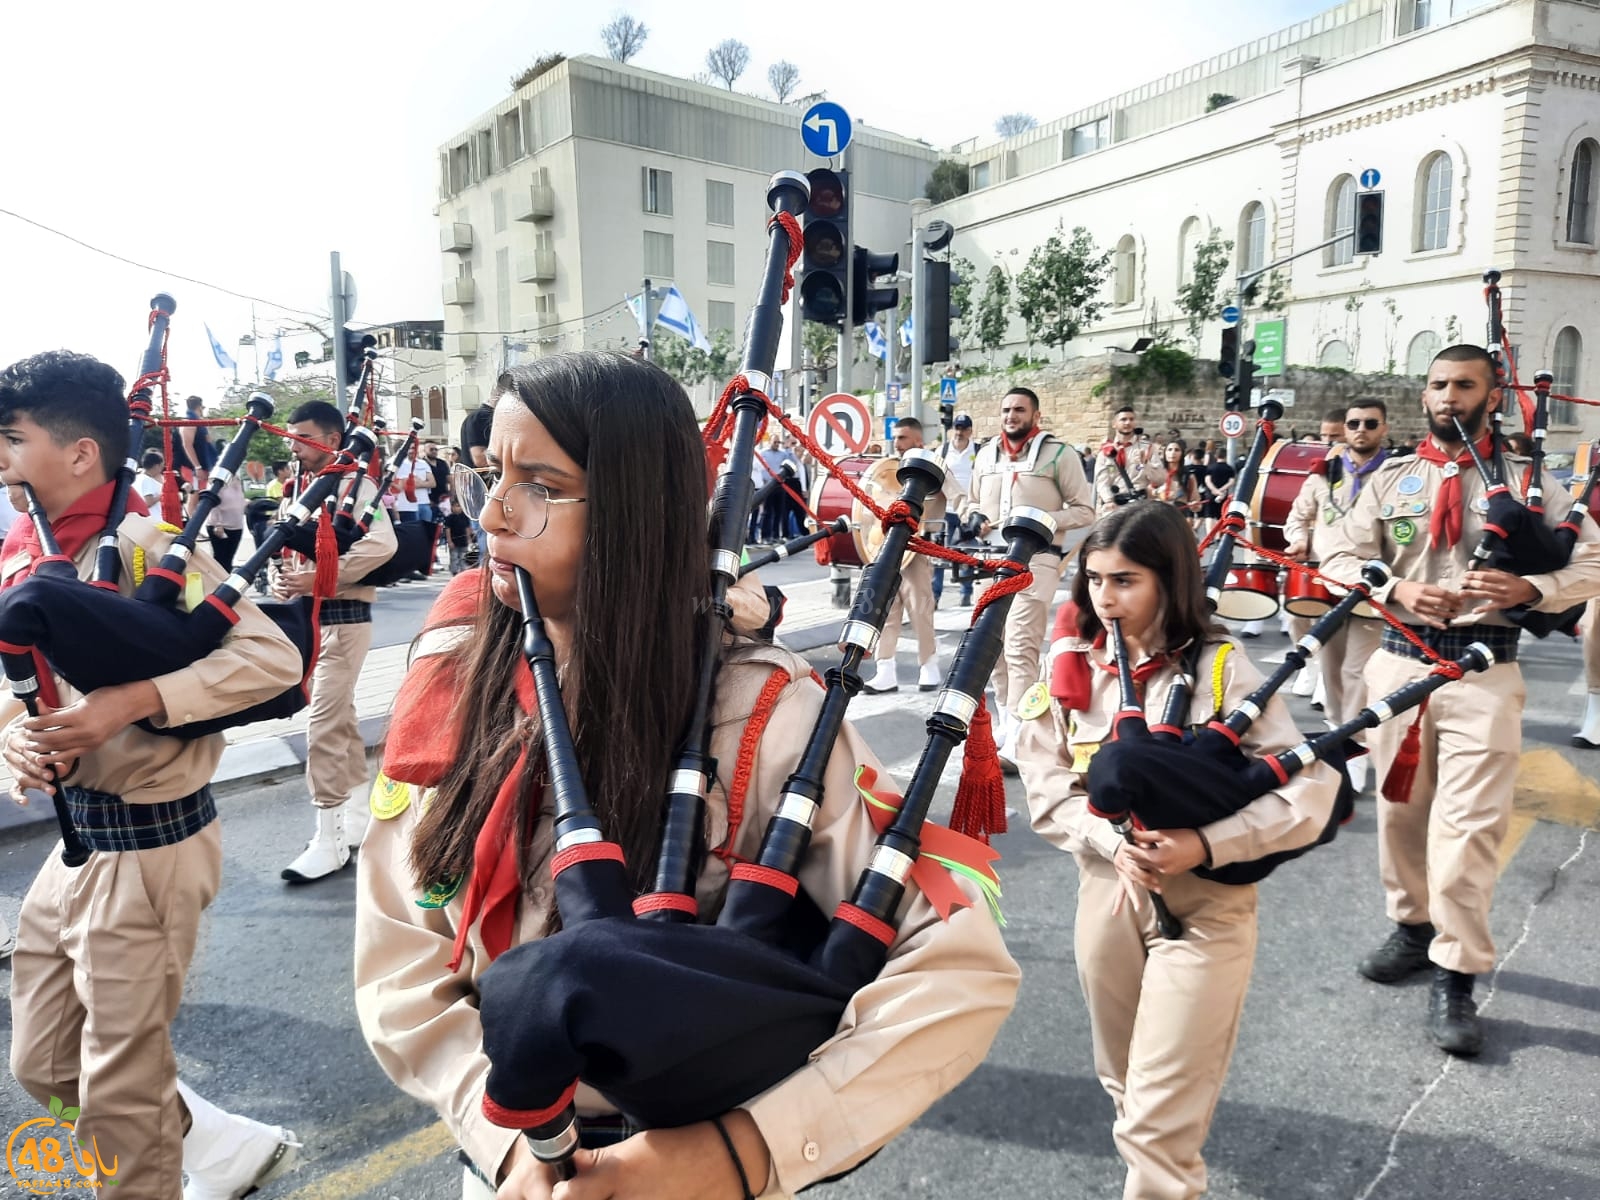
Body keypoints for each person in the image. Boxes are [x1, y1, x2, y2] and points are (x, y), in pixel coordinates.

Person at [353, 352, 1018, 1200]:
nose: (491, 512)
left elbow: (960, 967)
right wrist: (513, 1146)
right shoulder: (452, 677)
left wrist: (739, 1150)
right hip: (509, 1160)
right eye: (487, 474)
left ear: (633, 511)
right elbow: (401, 955)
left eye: (540, 485)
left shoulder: (759, 708)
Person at [0, 351, 303, 1200]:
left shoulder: (144, 547)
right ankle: (216, 1143)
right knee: (45, 1065)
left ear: (81, 454)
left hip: (149, 845)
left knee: (118, 1102)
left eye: (13, 439)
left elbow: (272, 660)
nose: (0, 457)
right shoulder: (26, 551)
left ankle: (157, 1161)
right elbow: (16, 689)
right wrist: (15, 743)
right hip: (72, 851)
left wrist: (129, 700)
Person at [1016, 501, 1339, 1200]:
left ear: (1170, 580)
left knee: (1159, 1126)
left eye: (1126, 580)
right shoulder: (1071, 667)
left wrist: (1205, 843)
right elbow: (1045, 790)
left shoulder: (1223, 668)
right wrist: (1108, 838)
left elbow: (1309, 794)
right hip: (1106, 893)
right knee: (1125, 1081)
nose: (1106, 598)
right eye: (1096, 579)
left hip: (1205, 907)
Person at [1320, 344, 1600, 1057]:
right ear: (1424, 396)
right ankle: (1413, 927)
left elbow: (1592, 557)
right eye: (1439, 385)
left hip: (1486, 673)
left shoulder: (1530, 483)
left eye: (1465, 385)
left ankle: (1457, 970)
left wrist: (1532, 590)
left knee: (1471, 829)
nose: (1450, 397)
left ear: (1492, 392)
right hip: (1399, 669)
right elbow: (1339, 556)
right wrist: (1394, 588)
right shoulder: (1391, 481)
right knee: (1402, 817)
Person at [273, 400, 398, 883]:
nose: (292, 445)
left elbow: (381, 544)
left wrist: (324, 578)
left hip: (345, 618)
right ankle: (358, 817)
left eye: (301, 436)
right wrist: (293, 579)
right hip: (311, 621)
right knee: (339, 717)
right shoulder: (299, 487)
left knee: (322, 720)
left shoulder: (356, 485)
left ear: (328, 439)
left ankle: (328, 836)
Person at [960, 386, 1095, 771]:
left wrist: (1042, 520)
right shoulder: (985, 455)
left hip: (1036, 562)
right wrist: (972, 515)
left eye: (1019, 409)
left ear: (1036, 416)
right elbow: (971, 501)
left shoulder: (1059, 455)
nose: (1011, 416)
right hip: (989, 561)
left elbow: (1086, 511)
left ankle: (1023, 736)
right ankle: (1007, 723)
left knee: (1021, 646)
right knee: (992, 647)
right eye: (1006, 410)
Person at [1283, 400, 1391, 780]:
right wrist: (1297, 540)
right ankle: (1335, 734)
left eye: (1370, 423)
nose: (1361, 429)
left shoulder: (1395, 475)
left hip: (1370, 586)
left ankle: (1355, 749)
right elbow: (1297, 517)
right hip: (1324, 580)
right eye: (1354, 423)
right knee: (1331, 668)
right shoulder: (1322, 474)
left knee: (1356, 671)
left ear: (1384, 428)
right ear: (1344, 428)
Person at [863, 416, 960, 695]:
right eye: (895, 438)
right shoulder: (890, 468)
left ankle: (929, 665)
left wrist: (965, 519)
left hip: (918, 548)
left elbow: (958, 496)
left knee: (920, 609)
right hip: (886, 547)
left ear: (918, 440)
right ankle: (885, 671)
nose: (897, 443)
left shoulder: (934, 467)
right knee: (886, 611)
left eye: (903, 438)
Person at [932, 411, 979, 608]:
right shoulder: (942, 451)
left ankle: (966, 592)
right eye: (957, 428)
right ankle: (934, 596)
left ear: (970, 431)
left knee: (966, 553)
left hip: (967, 511)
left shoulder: (978, 451)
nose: (959, 432)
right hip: (945, 510)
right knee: (939, 553)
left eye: (963, 429)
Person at [1093, 406, 1162, 515]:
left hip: (1139, 504)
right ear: (1114, 424)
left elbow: (1159, 479)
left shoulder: (1147, 448)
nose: (1127, 422)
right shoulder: (1105, 451)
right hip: (1113, 505)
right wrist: (1108, 500)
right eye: (1123, 419)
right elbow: (1101, 480)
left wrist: (1145, 463)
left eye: (1131, 419)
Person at [207, 470, 246, 574]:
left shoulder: (237, 480)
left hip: (236, 525)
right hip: (221, 526)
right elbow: (213, 504)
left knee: (229, 559)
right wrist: (217, 524)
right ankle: (217, 583)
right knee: (220, 559)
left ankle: (226, 582)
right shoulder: (217, 480)